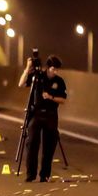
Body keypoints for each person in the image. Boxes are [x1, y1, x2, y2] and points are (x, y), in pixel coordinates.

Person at [17, 54, 67, 182]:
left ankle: (44, 174)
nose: (55, 71)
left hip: (51, 115)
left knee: (49, 146)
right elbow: (21, 84)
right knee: (32, 143)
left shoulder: (59, 81)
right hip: (36, 114)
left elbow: (63, 99)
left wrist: (51, 97)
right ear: (48, 67)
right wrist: (27, 69)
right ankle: (30, 174)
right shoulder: (37, 77)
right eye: (53, 69)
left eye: (57, 69)